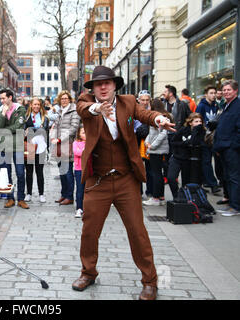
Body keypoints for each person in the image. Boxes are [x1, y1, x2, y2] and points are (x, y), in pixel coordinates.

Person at [74, 65, 175, 300]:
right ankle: (88, 272)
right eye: (98, 84)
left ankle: (150, 281)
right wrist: (97, 108)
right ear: (93, 88)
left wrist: (159, 118)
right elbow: (84, 109)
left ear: (114, 85)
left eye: (107, 82)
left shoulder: (128, 102)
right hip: (97, 181)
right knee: (89, 231)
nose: (102, 86)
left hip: (125, 180)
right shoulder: (86, 100)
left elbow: (145, 114)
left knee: (137, 231)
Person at [0, 89, 29, 209]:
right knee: (6, 173)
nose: (2, 101)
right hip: (4, 147)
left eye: (3, 98)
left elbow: (19, 126)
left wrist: (5, 130)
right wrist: (3, 115)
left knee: (20, 173)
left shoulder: (20, 109)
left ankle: (21, 198)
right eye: (1, 99)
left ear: (10, 97)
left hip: (17, 146)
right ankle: (10, 198)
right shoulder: (0, 110)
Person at [50, 90, 81, 206]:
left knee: (68, 172)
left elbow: (74, 128)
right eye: (62, 99)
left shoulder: (74, 111)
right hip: (59, 145)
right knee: (62, 172)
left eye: (65, 98)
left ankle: (69, 196)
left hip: (68, 144)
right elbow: (55, 126)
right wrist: (53, 137)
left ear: (69, 99)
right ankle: (64, 194)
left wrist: (60, 138)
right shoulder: (60, 111)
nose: (63, 100)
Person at [213, 80, 239, 216]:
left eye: (229, 90)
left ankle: (236, 206)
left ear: (235, 91)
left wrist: (233, 145)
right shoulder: (226, 105)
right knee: (227, 176)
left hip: (231, 148)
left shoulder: (238, 106)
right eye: (224, 90)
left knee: (234, 177)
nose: (226, 92)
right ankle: (230, 203)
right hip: (223, 147)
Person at [167, 113, 206, 200]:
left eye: (200, 121)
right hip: (177, 157)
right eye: (196, 121)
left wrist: (196, 131)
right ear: (190, 122)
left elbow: (194, 142)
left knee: (186, 182)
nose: (199, 123)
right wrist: (184, 144)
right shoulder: (183, 130)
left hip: (189, 160)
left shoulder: (201, 132)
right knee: (171, 177)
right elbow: (173, 142)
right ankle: (176, 196)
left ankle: (183, 197)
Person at [143, 99, 172, 206]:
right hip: (156, 148)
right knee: (157, 173)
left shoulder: (162, 117)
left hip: (158, 150)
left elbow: (162, 134)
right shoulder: (157, 117)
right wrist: (147, 142)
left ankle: (156, 198)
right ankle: (160, 197)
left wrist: (152, 145)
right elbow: (151, 133)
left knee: (156, 173)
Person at [196, 85, 221, 194]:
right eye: (211, 93)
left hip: (214, 137)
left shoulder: (215, 105)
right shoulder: (201, 106)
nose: (213, 95)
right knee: (206, 161)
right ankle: (213, 184)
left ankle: (207, 182)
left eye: (214, 93)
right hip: (204, 138)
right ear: (206, 94)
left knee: (213, 161)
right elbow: (196, 119)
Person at [24, 97, 49, 204]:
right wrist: (36, 129)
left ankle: (41, 194)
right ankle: (28, 193)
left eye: (38, 104)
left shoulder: (45, 117)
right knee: (29, 171)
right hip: (29, 146)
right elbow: (24, 131)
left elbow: (44, 130)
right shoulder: (26, 117)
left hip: (41, 147)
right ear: (31, 105)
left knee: (39, 172)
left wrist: (31, 129)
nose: (36, 106)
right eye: (34, 104)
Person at [73, 126, 86, 218]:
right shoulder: (76, 143)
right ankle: (79, 208)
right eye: (83, 132)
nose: (85, 134)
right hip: (79, 169)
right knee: (79, 189)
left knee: (88, 189)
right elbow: (76, 152)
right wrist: (85, 151)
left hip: (89, 169)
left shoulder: (91, 142)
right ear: (79, 134)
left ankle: (87, 207)